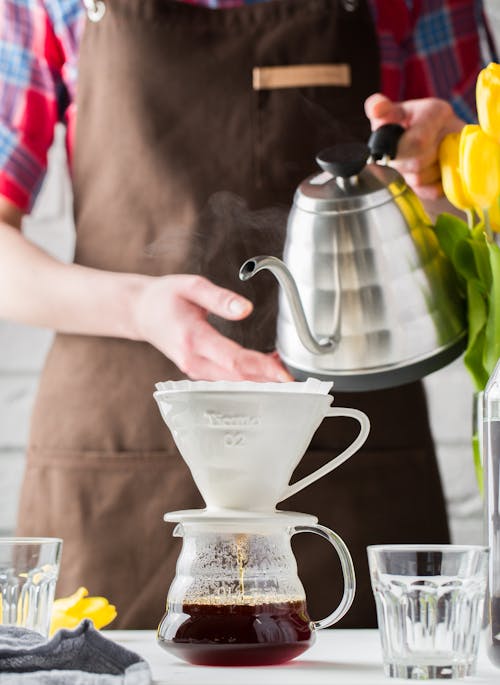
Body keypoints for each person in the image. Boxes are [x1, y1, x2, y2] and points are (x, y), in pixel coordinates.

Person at [0, 0, 493, 629]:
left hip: (344, 458)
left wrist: (445, 170)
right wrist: (139, 306)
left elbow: (480, 225)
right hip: (115, 466)